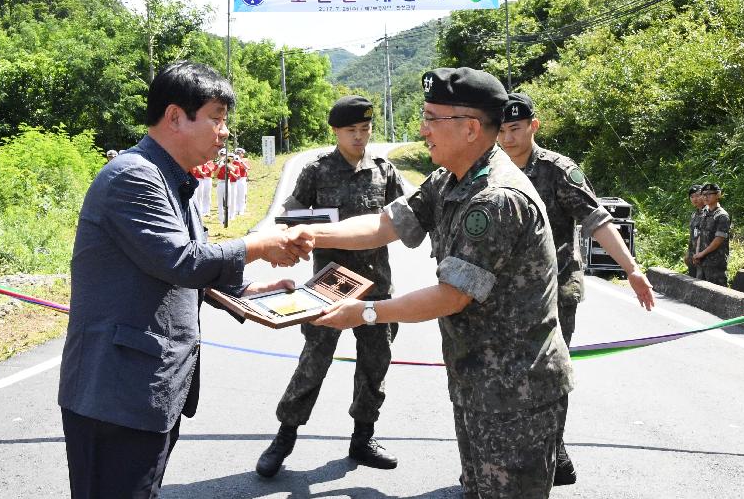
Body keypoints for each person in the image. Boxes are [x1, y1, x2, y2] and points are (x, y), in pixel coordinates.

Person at [299, 68, 574, 498]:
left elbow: (453, 295)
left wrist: (367, 313)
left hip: (516, 392)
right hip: (475, 379)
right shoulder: (451, 176)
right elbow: (384, 225)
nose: (422, 129)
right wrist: (306, 235)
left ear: (469, 128)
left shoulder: (496, 198)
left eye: (431, 118)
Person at [57, 61, 313, 499]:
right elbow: (182, 261)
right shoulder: (134, 176)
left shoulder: (174, 180)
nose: (224, 131)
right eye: (216, 118)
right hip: (116, 395)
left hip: (149, 391)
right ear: (176, 116)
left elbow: (186, 274)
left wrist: (253, 293)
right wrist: (260, 245)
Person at [497, 91, 654, 486]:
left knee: (551, 373)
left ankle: (554, 451)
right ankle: (510, 456)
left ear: (533, 126)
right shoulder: (491, 170)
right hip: (501, 297)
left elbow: (597, 221)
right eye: (500, 130)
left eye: (515, 129)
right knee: (504, 375)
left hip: (554, 291)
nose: (507, 138)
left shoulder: (557, 170)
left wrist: (631, 269)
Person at [256, 95, 407, 478]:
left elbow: (407, 218)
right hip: (329, 287)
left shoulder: (383, 171)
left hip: (376, 287)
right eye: (351, 130)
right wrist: (292, 241)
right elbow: (289, 218)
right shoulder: (317, 171)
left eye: (365, 129)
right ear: (336, 132)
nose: (359, 137)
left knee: (375, 365)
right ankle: (284, 438)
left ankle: (363, 437)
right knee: (313, 364)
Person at [693, 182, 731, 286]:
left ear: (718, 195)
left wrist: (702, 253)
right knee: (700, 291)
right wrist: (697, 253)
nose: (705, 197)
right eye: (703, 194)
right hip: (702, 261)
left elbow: (718, 240)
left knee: (718, 293)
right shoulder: (705, 212)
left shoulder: (722, 215)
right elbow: (700, 234)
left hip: (715, 263)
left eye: (709, 194)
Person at [685, 184, 705, 277]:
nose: (694, 199)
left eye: (697, 195)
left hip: (704, 255)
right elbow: (692, 235)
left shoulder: (709, 213)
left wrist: (699, 254)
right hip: (693, 255)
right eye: (692, 197)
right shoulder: (694, 214)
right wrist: (688, 253)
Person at [234, 147, 249, 215]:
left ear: (243, 154)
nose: (238, 154)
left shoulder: (244, 160)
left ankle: (241, 209)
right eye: (237, 153)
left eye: (240, 153)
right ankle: (236, 209)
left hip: (242, 179)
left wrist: (240, 161)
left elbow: (247, 167)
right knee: (235, 194)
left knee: (242, 194)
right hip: (234, 179)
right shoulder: (233, 160)